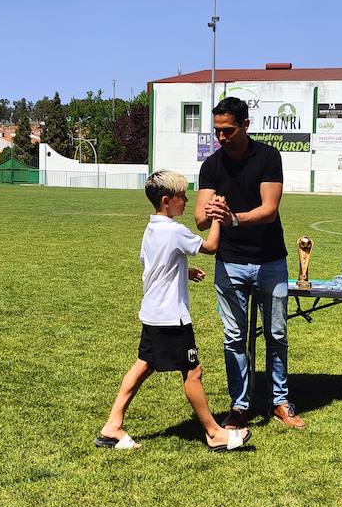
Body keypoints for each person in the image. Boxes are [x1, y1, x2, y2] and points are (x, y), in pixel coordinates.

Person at [96, 170, 251, 452]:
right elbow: (211, 246)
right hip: (171, 318)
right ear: (167, 200)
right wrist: (217, 216)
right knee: (193, 372)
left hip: (153, 313)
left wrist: (183, 270)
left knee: (144, 365)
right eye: (182, 196)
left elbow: (155, 264)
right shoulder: (174, 230)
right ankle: (214, 433)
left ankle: (112, 426)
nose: (187, 199)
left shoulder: (152, 228)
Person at [195, 97, 304, 430]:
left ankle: (280, 402)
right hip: (230, 264)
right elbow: (200, 218)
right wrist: (211, 214)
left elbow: (269, 208)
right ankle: (239, 406)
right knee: (233, 338)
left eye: (228, 130)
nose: (222, 137)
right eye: (217, 131)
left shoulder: (268, 157)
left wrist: (234, 219)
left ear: (245, 125)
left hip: (270, 261)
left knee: (276, 335)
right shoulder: (211, 165)